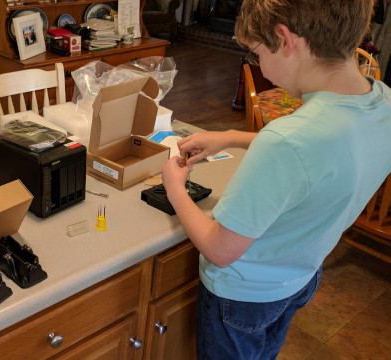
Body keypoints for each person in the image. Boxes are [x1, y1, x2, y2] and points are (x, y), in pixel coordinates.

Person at [161, 0, 391, 359]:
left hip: (243, 294)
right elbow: (317, 151)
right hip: (299, 279)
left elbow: (221, 249)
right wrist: (230, 137)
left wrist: (175, 190)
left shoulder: (286, 139)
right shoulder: (382, 102)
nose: (258, 65)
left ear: (285, 40)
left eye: (255, 53)